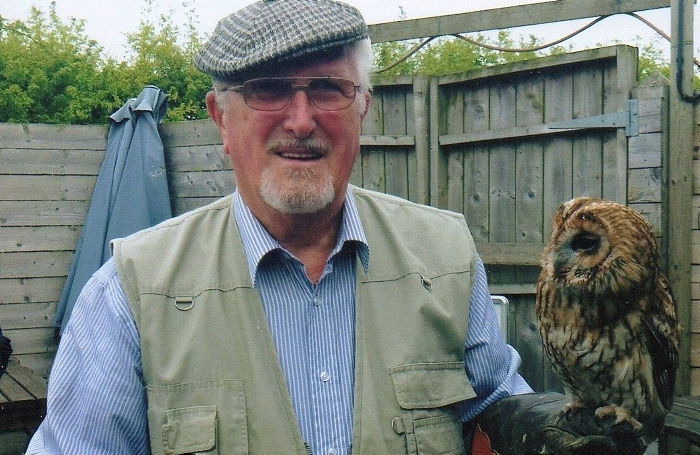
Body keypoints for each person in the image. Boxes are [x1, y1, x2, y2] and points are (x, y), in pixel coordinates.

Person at [26, 1, 648, 454]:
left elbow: (492, 410)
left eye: (328, 88)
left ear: (363, 109)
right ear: (221, 117)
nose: (301, 121)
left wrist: (538, 424)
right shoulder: (129, 293)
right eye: (269, 90)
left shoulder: (447, 258)